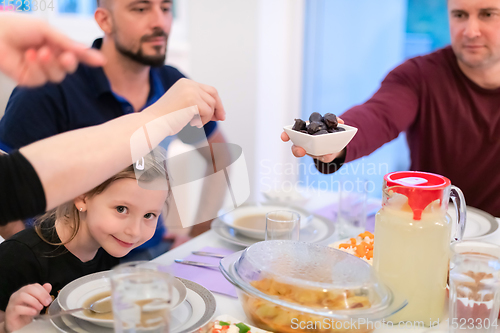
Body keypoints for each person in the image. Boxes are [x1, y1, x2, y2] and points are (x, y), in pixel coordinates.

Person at [0, 0, 230, 251]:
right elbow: (4, 191)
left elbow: (220, 155)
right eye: (140, 9)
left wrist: (197, 234)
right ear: (104, 20)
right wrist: (32, 260)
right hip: (64, 267)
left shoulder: (172, 83)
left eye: (165, 9)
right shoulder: (50, 87)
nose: (159, 22)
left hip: (146, 254)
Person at [282, 0, 500, 217]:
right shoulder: (419, 75)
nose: (470, 31)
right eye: (460, 15)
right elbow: (379, 116)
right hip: (426, 224)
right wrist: (332, 140)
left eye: (488, 14)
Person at [0, 148, 170, 333]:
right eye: (121, 209)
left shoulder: (110, 244)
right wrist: (10, 328)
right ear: (82, 197)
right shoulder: (18, 256)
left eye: (149, 215)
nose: (134, 232)